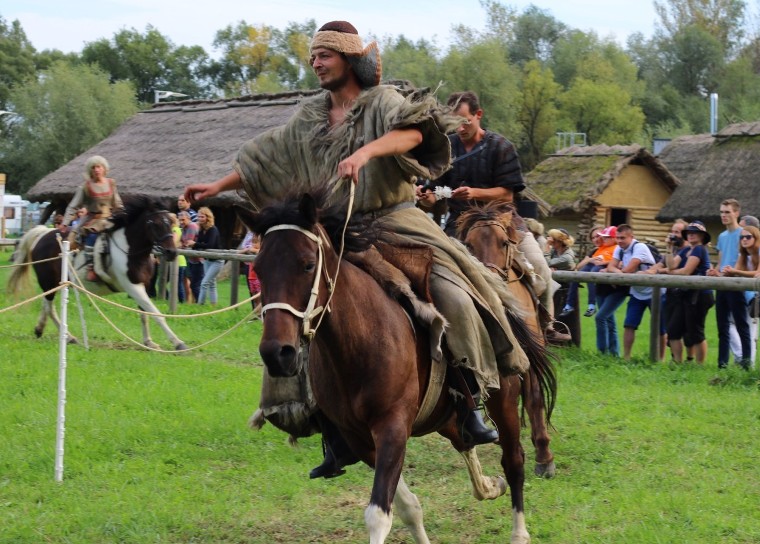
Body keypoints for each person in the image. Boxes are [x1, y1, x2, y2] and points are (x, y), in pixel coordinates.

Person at [184, 21, 530, 478]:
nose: (316, 63)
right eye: (313, 57)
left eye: (324, 55)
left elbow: (414, 135)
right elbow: (265, 157)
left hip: (395, 221)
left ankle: (468, 399)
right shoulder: (309, 115)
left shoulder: (383, 101)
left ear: (348, 58)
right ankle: (323, 421)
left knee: (455, 293)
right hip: (334, 230)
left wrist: (367, 153)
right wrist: (216, 186)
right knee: (298, 310)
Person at [417, 90, 570, 345]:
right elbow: (436, 194)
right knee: (431, 269)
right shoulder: (447, 148)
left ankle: (547, 325)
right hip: (460, 225)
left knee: (539, 264)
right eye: (455, 122)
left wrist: (474, 192)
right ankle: (433, 327)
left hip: (504, 221)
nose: (461, 127)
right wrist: (427, 197)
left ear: (478, 115)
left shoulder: (501, 146)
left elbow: (508, 194)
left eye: (465, 120)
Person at [652, 221, 714, 364]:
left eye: (694, 232)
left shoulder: (699, 249)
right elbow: (671, 264)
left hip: (700, 295)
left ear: (702, 236)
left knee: (695, 331)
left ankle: (699, 365)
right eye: (689, 232)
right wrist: (669, 248)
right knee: (674, 330)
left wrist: (670, 272)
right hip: (687, 294)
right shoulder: (686, 250)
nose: (691, 235)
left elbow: (686, 271)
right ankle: (678, 363)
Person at [60, 156, 123, 282]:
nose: (96, 169)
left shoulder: (111, 183)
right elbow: (73, 206)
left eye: (99, 166)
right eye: (93, 167)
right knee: (92, 236)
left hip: (110, 218)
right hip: (93, 220)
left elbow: (117, 202)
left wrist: (123, 213)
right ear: (90, 170)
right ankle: (91, 267)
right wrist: (65, 222)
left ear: (104, 168)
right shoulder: (85, 187)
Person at [603, 224, 661, 361]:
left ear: (631, 237)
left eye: (623, 238)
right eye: (617, 238)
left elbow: (630, 268)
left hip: (655, 292)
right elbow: (611, 266)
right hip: (636, 292)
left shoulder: (639, 247)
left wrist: (618, 274)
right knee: (629, 325)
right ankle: (627, 358)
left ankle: (659, 359)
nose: (619, 241)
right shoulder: (619, 248)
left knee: (660, 326)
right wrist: (619, 274)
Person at [707, 198, 751, 369]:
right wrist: (715, 272)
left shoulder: (743, 234)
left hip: (736, 284)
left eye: (727, 212)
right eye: (722, 212)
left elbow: (745, 259)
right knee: (722, 327)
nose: (724, 215)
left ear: (736, 213)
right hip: (723, 285)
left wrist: (733, 271)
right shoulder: (722, 236)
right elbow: (721, 262)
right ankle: (722, 364)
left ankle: (746, 364)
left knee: (741, 326)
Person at [722, 224, 760, 361]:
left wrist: (735, 272)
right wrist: (724, 272)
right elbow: (735, 274)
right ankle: (743, 359)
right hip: (753, 296)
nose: (744, 239)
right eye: (742, 237)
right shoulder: (743, 254)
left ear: (756, 237)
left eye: (748, 237)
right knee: (736, 324)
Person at [562, 226, 615, 318]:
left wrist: (602, 263)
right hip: (596, 273)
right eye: (593, 238)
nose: (595, 239)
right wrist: (591, 259)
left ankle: (591, 305)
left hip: (605, 282)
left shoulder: (614, 247)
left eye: (598, 236)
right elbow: (578, 267)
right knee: (577, 275)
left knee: (606, 317)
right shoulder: (597, 249)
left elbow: (616, 260)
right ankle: (569, 304)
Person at [194, 207, 224, 306]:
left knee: (204, 283)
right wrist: (194, 245)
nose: (200, 218)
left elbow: (210, 245)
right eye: (199, 216)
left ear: (208, 217)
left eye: (202, 216)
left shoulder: (213, 229)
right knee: (211, 283)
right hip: (207, 259)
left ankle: (200, 305)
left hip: (217, 260)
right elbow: (199, 243)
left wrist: (194, 244)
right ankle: (213, 305)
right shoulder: (201, 230)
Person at [178, 211, 202, 303]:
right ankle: (192, 302)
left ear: (189, 219)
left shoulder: (191, 226)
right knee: (191, 282)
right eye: (180, 220)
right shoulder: (183, 228)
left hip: (198, 259)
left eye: (183, 220)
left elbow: (188, 242)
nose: (181, 222)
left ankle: (198, 303)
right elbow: (181, 242)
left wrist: (182, 244)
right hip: (190, 258)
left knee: (195, 284)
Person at [168, 213, 187, 303]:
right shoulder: (173, 230)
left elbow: (174, 243)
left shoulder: (175, 230)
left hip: (179, 261)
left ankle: (181, 301)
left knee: (178, 283)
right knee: (175, 283)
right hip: (177, 261)